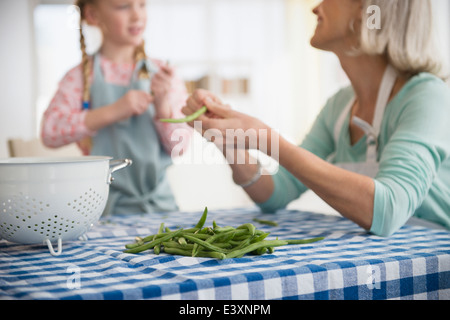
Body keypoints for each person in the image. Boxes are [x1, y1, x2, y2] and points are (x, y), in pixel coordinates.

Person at [182, 0, 450, 236]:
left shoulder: (428, 96)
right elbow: (276, 192)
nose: (314, 7)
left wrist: (267, 139)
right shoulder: (341, 105)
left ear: (365, 10)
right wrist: (229, 140)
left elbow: (387, 210)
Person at [41, 0, 192, 215]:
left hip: (161, 208)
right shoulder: (78, 78)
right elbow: (49, 132)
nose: (137, 15)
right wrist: (114, 110)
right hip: (101, 211)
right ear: (93, 15)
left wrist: (162, 105)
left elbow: (180, 147)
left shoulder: (163, 75)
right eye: (123, 6)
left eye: (142, 4)